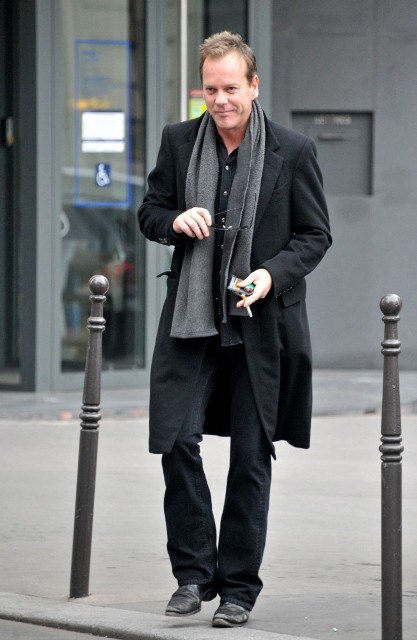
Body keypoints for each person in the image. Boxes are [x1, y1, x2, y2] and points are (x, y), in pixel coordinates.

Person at [137, 31, 331, 628]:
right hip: (192, 323)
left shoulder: (292, 150)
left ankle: (239, 589)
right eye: (210, 89)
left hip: (259, 330)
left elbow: (315, 235)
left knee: (250, 457)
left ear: (253, 86)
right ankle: (194, 575)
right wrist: (175, 220)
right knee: (176, 441)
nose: (220, 100)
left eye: (230, 88)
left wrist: (271, 275)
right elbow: (149, 213)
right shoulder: (178, 142)